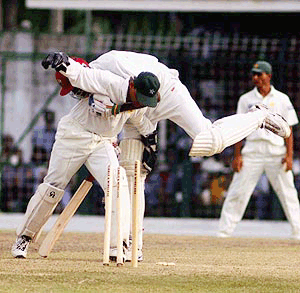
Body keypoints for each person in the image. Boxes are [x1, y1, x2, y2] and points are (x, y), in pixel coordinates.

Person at [32, 51, 290, 262]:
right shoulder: (95, 85)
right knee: (133, 172)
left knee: (208, 140)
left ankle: (260, 116)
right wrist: (149, 143)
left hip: (164, 91)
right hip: (136, 104)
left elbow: (94, 80)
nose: (78, 95)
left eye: (77, 90)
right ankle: (132, 243)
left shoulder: (101, 73)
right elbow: (124, 112)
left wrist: (63, 62)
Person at [11, 54, 159, 259]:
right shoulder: (110, 82)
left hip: (103, 142)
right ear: (132, 86)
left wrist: (151, 142)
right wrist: (64, 63)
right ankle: (25, 237)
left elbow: (142, 122)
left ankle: (118, 245)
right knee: (53, 188)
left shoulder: (138, 102)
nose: (140, 103)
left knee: (119, 184)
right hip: (74, 135)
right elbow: (83, 75)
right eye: (140, 99)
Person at [218, 61, 300, 239]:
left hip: (275, 151)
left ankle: (298, 231)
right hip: (252, 151)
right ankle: (224, 232)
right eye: (254, 74)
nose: (256, 78)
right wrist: (237, 155)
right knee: (238, 191)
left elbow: (289, 129)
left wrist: (289, 156)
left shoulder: (282, 99)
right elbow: (238, 129)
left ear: (269, 76)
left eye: (260, 74)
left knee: (288, 192)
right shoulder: (246, 99)